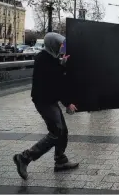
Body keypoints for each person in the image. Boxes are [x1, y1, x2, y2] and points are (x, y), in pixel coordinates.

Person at [13, 32, 79, 180]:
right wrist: (67, 103)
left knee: (62, 131)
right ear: (53, 45)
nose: (62, 48)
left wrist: (61, 64)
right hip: (44, 101)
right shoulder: (45, 60)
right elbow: (56, 84)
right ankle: (24, 158)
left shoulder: (49, 58)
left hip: (48, 100)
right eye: (60, 45)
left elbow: (55, 75)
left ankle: (60, 161)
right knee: (56, 132)